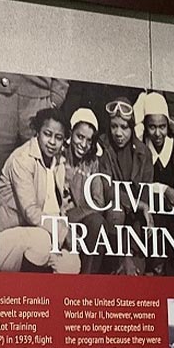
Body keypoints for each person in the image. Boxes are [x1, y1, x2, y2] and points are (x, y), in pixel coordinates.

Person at [0, 108, 70, 272]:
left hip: (37, 231)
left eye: (58, 138)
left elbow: (55, 207)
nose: (52, 142)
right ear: (37, 132)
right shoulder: (22, 159)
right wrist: (62, 233)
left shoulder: (58, 162)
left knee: (71, 264)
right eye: (47, 134)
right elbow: (30, 212)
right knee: (41, 242)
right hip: (6, 237)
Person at [133, 92, 174, 275]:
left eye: (162, 127)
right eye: (152, 127)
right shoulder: (141, 148)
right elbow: (139, 185)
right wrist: (163, 189)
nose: (158, 133)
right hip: (150, 210)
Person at [98, 97, 154, 275]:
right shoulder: (103, 147)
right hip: (112, 215)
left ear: (132, 127)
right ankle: (118, 260)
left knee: (136, 273)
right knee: (116, 212)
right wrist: (136, 204)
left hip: (135, 220)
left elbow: (145, 195)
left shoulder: (143, 153)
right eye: (114, 126)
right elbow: (107, 189)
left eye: (124, 127)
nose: (118, 133)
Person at [62, 109, 111, 273]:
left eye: (88, 140)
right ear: (71, 134)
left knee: (98, 222)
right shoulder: (59, 157)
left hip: (79, 222)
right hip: (57, 221)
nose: (83, 145)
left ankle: (88, 280)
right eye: (79, 137)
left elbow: (98, 203)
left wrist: (74, 216)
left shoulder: (92, 163)